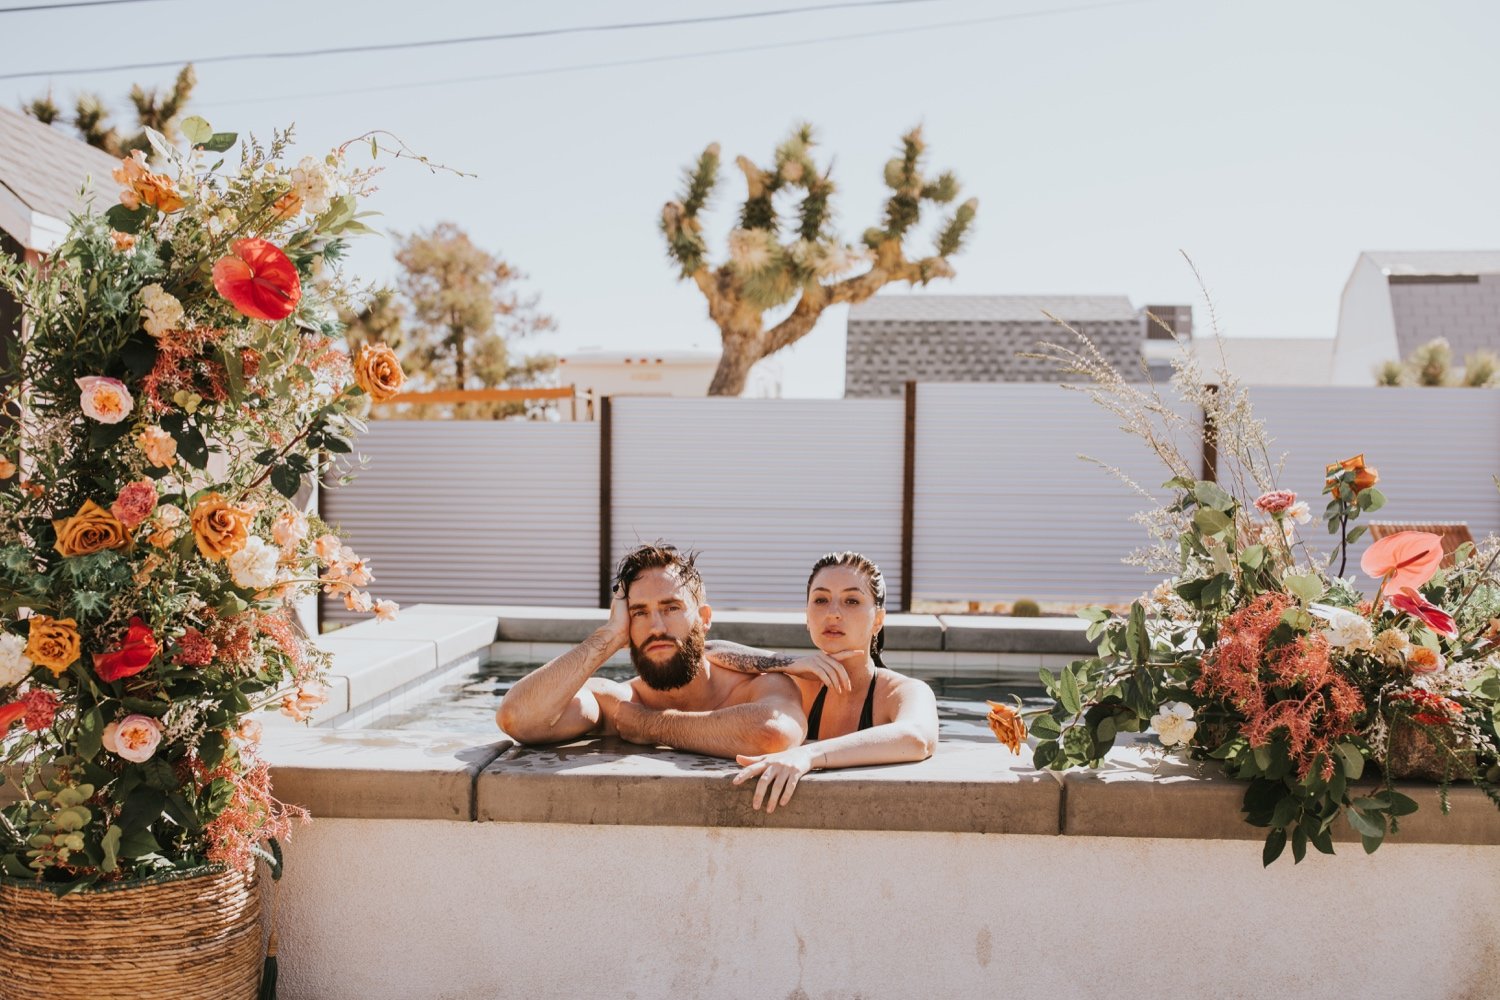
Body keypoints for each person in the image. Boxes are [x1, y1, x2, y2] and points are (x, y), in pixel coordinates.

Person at [496, 543, 806, 759]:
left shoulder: (760, 684)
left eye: (671, 607)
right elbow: (517, 717)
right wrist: (607, 638)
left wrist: (651, 725)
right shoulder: (621, 703)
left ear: (704, 618)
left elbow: (772, 735)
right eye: (640, 612)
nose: (656, 627)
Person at [706, 551, 939, 813]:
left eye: (851, 601)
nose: (833, 613)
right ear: (807, 616)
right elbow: (709, 651)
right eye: (820, 599)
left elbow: (917, 738)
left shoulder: (901, 691)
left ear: (878, 620)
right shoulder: (791, 685)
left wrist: (807, 755)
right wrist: (789, 663)